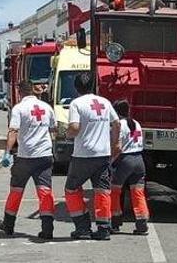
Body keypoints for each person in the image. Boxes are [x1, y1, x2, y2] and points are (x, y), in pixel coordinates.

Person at [64, 72, 120, 240]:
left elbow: (74, 127)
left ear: (76, 88)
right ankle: (103, 228)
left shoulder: (76, 104)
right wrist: (115, 143)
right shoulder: (104, 102)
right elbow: (116, 122)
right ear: (93, 86)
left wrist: (67, 134)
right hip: (103, 154)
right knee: (102, 190)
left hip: (83, 155)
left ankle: (83, 227)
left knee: (71, 189)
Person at [0, 81, 56, 239]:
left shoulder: (19, 108)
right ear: (33, 91)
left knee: (16, 190)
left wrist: (7, 152)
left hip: (25, 157)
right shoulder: (47, 107)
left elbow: (13, 132)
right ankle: (47, 228)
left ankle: (8, 225)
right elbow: (53, 130)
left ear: (19, 92)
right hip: (44, 156)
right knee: (45, 192)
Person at [110, 100, 150, 235]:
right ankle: (142, 223)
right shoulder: (136, 123)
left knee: (115, 191)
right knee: (138, 192)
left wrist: (110, 160)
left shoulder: (119, 124)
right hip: (139, 160)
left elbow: (118, 146)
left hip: (125, 160)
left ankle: (115, 223)